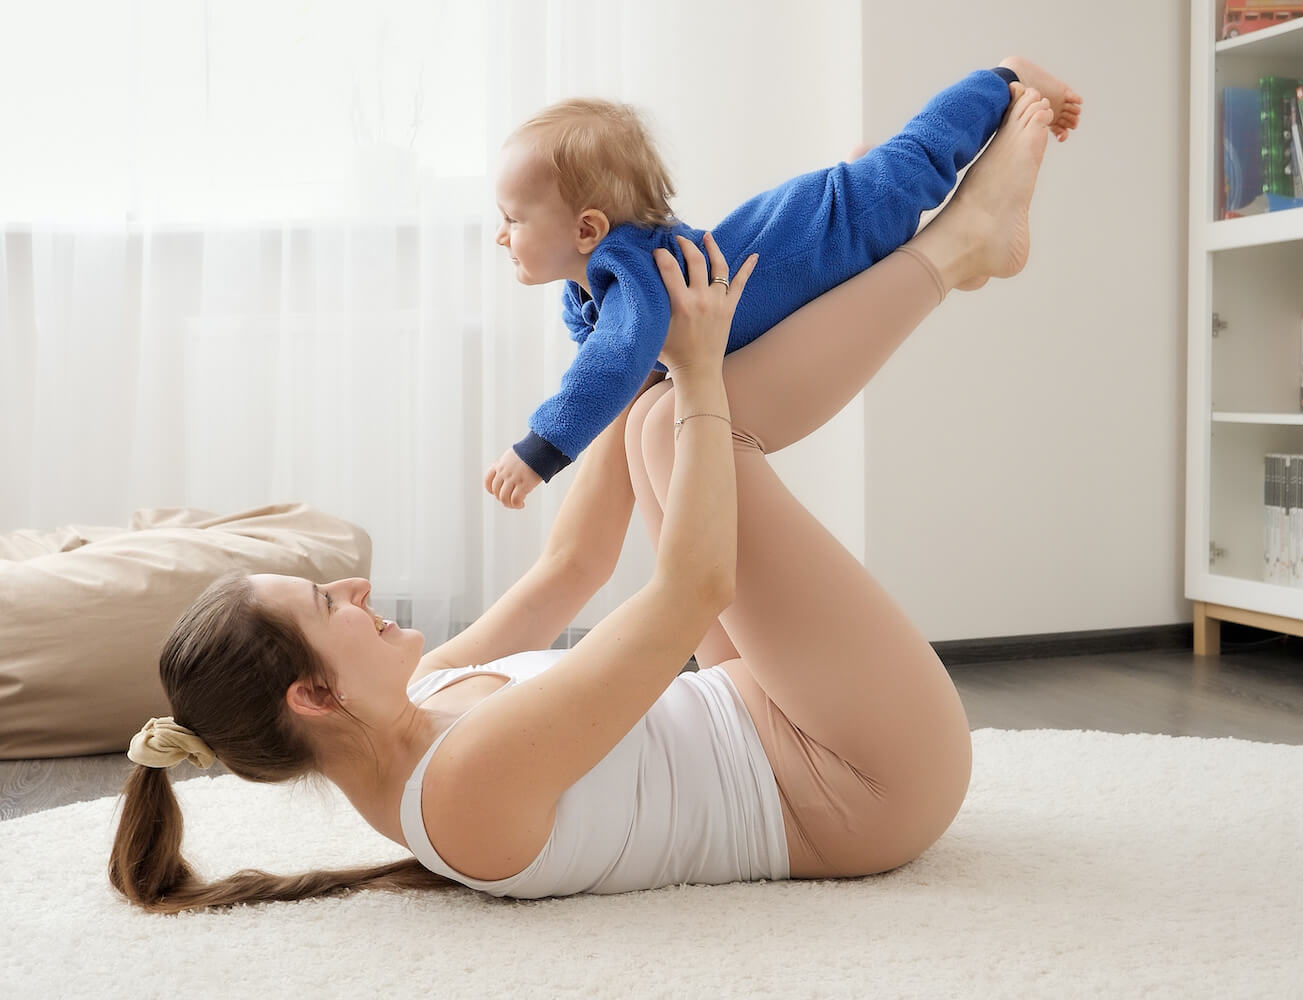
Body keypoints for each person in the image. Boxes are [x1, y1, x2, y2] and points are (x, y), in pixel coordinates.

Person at [110, 85, 1058, 911]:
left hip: (778, 707)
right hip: (865, 784)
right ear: (315, 695)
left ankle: (889, 234)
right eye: (328, 604)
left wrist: (639, 352)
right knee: (682, 417)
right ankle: (952, 249)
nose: (356, 589)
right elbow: (692, 591)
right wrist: (696, 371)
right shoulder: (461, 787)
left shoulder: (419, 695)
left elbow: (573, 567)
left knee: (651, 418)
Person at [482, 55, 1082, 509]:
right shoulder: (587, 291)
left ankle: (1003, 78)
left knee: (920, 155)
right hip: (812, 262)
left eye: (513, 219)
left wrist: (541, 449)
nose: (501, 235)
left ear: (588, 229)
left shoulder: (630, 269)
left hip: (831, 223)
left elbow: (612, 362)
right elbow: (611, 359)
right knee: (900, 194)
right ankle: (925, 227)